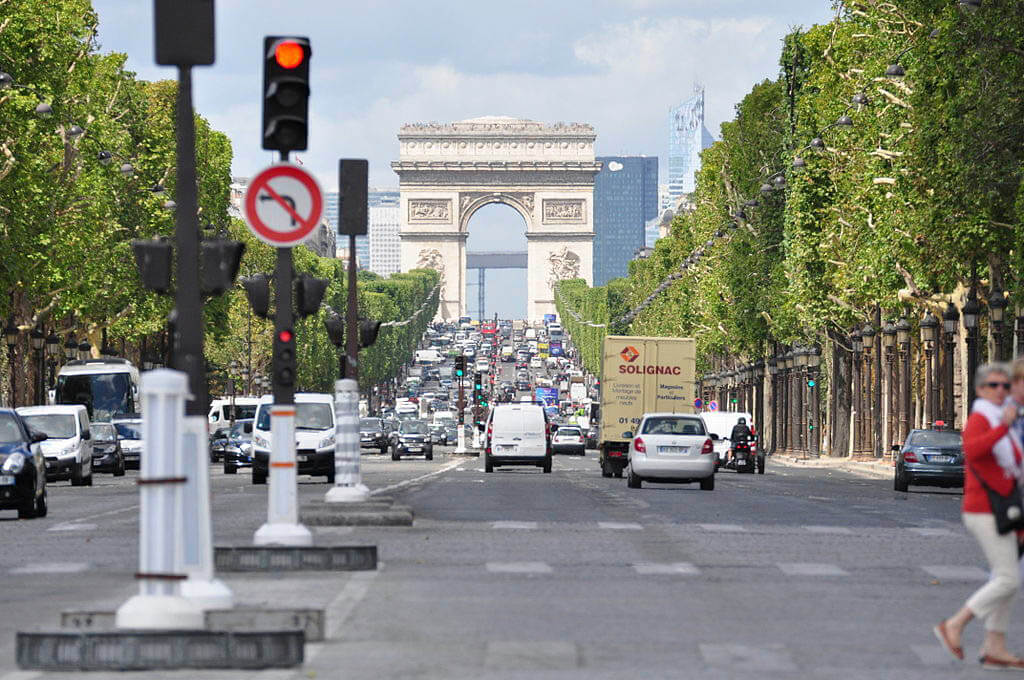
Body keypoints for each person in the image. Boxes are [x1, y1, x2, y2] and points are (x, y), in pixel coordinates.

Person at [935, 362, 1024, 670]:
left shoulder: (1001, 417)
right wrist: (1003, 427)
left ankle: (994, 647)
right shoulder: (982, 418)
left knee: (1009, 579)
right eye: (993, 386)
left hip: (1002, 507)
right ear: (980, 390)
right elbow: (974, 451)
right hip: (984, 508)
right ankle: (955, 624)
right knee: (1008, 578)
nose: (1001, 390)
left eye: (1004, 385)